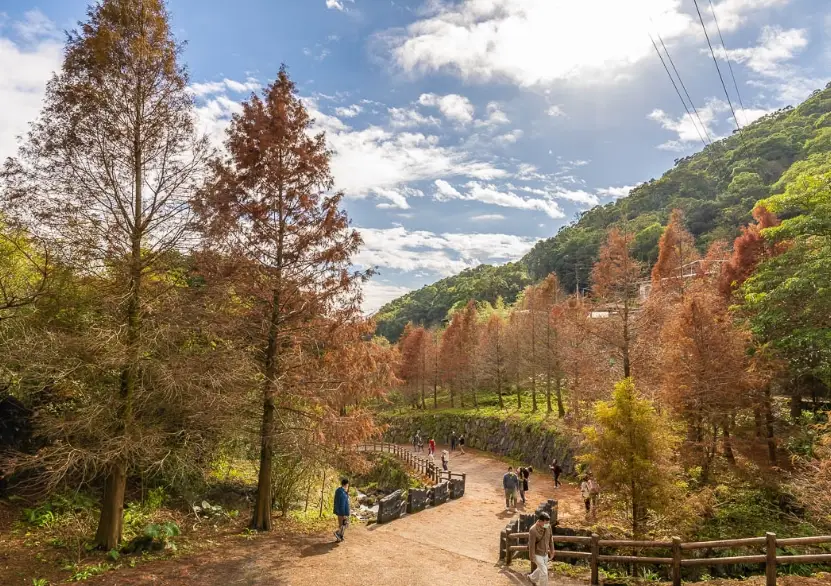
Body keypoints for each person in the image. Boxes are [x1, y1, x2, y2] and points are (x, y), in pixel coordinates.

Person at [528, 511, 555, 586]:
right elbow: (531, 545)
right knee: (544, 572)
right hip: (537, 554)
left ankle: (531, 578)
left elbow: (550, 538)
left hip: (545, 553)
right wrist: (532, 557)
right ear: (540, 521)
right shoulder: (533, 530)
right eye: (545, 522)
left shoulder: (548, 526)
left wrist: (552, 551)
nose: (547, 524)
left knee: (541, 569)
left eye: (548, 522)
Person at [333, 478, 350, 542]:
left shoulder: (339, 490)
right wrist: (344, 514)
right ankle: (337, 533)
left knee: (342, 524)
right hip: (342, 511)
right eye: (347, 484)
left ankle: (340, 537)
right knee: (344, 524)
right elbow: (342, 504)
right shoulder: (342, 492)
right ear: (346, 484)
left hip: (339, 510)